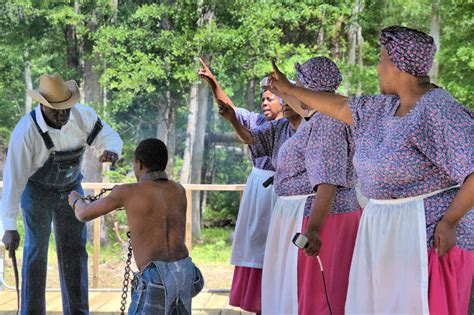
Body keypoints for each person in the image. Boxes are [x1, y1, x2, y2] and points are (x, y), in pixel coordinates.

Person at [268, 26, 473, 314]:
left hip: (424, 235)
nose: (377, 68)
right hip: (385, 228)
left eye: (381, 59)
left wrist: (450, 221)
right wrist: (289, 89)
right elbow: (337, 106)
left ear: (399, 66)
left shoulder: (437, 109)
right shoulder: (384, 107)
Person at [1, 73, 123, 314]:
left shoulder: (82, 115)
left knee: (75, 252)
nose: (63, 114)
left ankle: (78, 312)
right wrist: (8, 226)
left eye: (66, 107)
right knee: (36, 253)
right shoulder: (26, 132)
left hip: (71, 191)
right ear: (42, 105)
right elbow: (13, 181)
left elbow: (109, 136)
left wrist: (112, 151)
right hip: (36, 193)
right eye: (56, 110)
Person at [260, 57, 361, 314]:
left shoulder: (327, 122)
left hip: (322, 217)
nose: (297, 88)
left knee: (317, 295)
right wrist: (282, 88)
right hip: (310, 214)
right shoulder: (318, 115)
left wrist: (314, 229)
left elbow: (327, 180)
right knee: (303, 292)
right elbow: (303, 106)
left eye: (301, 83)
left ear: (311, 87)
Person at [69, 138, 204, 314]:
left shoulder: (128, 191)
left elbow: (83, 214)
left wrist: (75, 200)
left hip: (156, 277)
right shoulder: (178, 190)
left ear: (139, 164)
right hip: (186, 272)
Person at [198, 58, 282, 314]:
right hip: (258, 186)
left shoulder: (290, 124)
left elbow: (242, 130)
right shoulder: (256, 121)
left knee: (275, 247)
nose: (265, 103)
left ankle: (278, 299)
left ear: (284, 100)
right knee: (256, 244)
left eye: (271, 98)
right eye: (263, 99)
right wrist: (214, 84)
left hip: (280, 190)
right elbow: (230, 109)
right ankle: (257, 303)